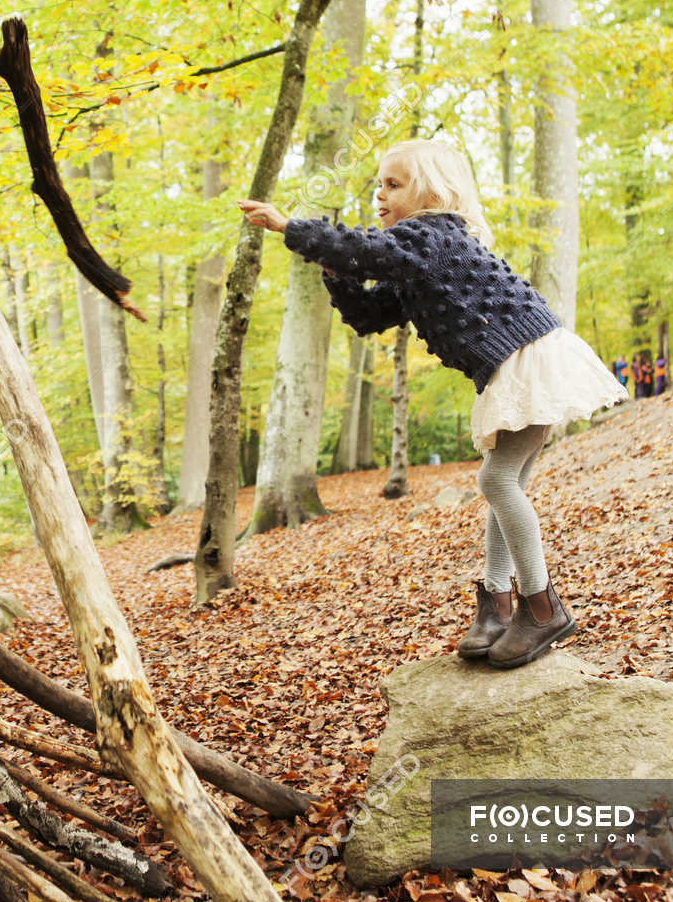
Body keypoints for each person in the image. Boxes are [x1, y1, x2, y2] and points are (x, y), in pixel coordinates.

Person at [236, 140, 626, 668]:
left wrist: (293, 229)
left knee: (497, 482)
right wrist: (334, 269)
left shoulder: (432, 233)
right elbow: (371, 314)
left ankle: (542, 607)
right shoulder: (418, 257)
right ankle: (497, 605)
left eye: (394, 184)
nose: (380, 193)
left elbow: (372, 252)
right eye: (379, 183)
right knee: (502, 482)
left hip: (528, 358)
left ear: (432, 192)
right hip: (516, 360)